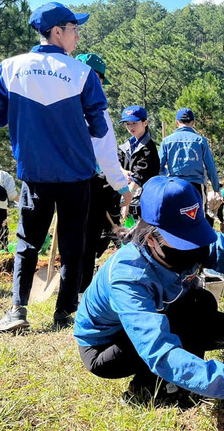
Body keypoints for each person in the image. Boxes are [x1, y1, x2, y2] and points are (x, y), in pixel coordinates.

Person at [73, 176, 224, 417]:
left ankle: (188, 378)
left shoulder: (198, 241)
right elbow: (160, 351)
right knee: (184, 324)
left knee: (211, 316)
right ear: (151, 239)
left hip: (161, 314)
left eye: (195, 236)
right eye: (182, 242)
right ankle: (151, 386)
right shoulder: (129, 276)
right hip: (107, 346)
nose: (193, 248)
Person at [0, 2, 111, 331]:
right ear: (57, 31)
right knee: (73, 244)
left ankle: (17, 309)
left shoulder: (8, 68)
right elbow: (99, 127)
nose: (77, 36)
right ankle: (64, 313)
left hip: (35, 172)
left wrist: (25, 119)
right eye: (74, 29)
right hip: (76, 173)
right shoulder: (81, 73)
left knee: (27, 243)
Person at [76, 53, 134, 294]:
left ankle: (70, 290)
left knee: (73, 236)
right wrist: (123, 188)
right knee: (88, 238)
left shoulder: (59, 103)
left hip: (60, 180)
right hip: (89, 181)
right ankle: (81, 290)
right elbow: (106, 155)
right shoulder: (96, 110)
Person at [159, 108, 219, 225]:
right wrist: (216, 188)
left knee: (175, 218)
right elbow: (210, 167)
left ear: (177, 122)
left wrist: (164, 178)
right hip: (196, 185)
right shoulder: (200, 140)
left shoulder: (167, 141)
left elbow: (159, 165)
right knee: (197, 219)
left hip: (174, 184)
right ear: (193, 122)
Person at [118, 105, 159, 219]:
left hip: (145, 198)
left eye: (134, 123)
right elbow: (116, 162)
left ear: (145, 123)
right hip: (128, 195)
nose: (130, 127)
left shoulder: (148, 148)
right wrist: (123, 171)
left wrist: (127, 201)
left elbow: (139, 176)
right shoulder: (127, 145)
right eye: (127, 124)